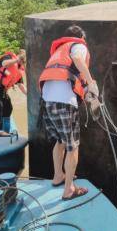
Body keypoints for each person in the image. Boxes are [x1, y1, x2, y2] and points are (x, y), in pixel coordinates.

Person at [38, 25, 99, 200]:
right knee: (73, 146)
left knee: (61, 141)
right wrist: (90, 83)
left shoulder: (59, 50)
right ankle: (69, 189)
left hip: (48, 101)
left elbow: (68, 74)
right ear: (81, 37)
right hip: (64, 102)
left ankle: (58, 175)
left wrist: (85, 89)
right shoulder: (77, 45)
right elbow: (78, 59)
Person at [0, 49, 27, 137]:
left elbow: (21, 85)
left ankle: (5, 130)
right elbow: (4, 64)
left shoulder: (18, 70)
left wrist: (29, 95)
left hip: (2, 89)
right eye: (24, 59)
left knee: (8, 107)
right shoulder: (8, 57)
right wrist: (17, 59)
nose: (25, 62)